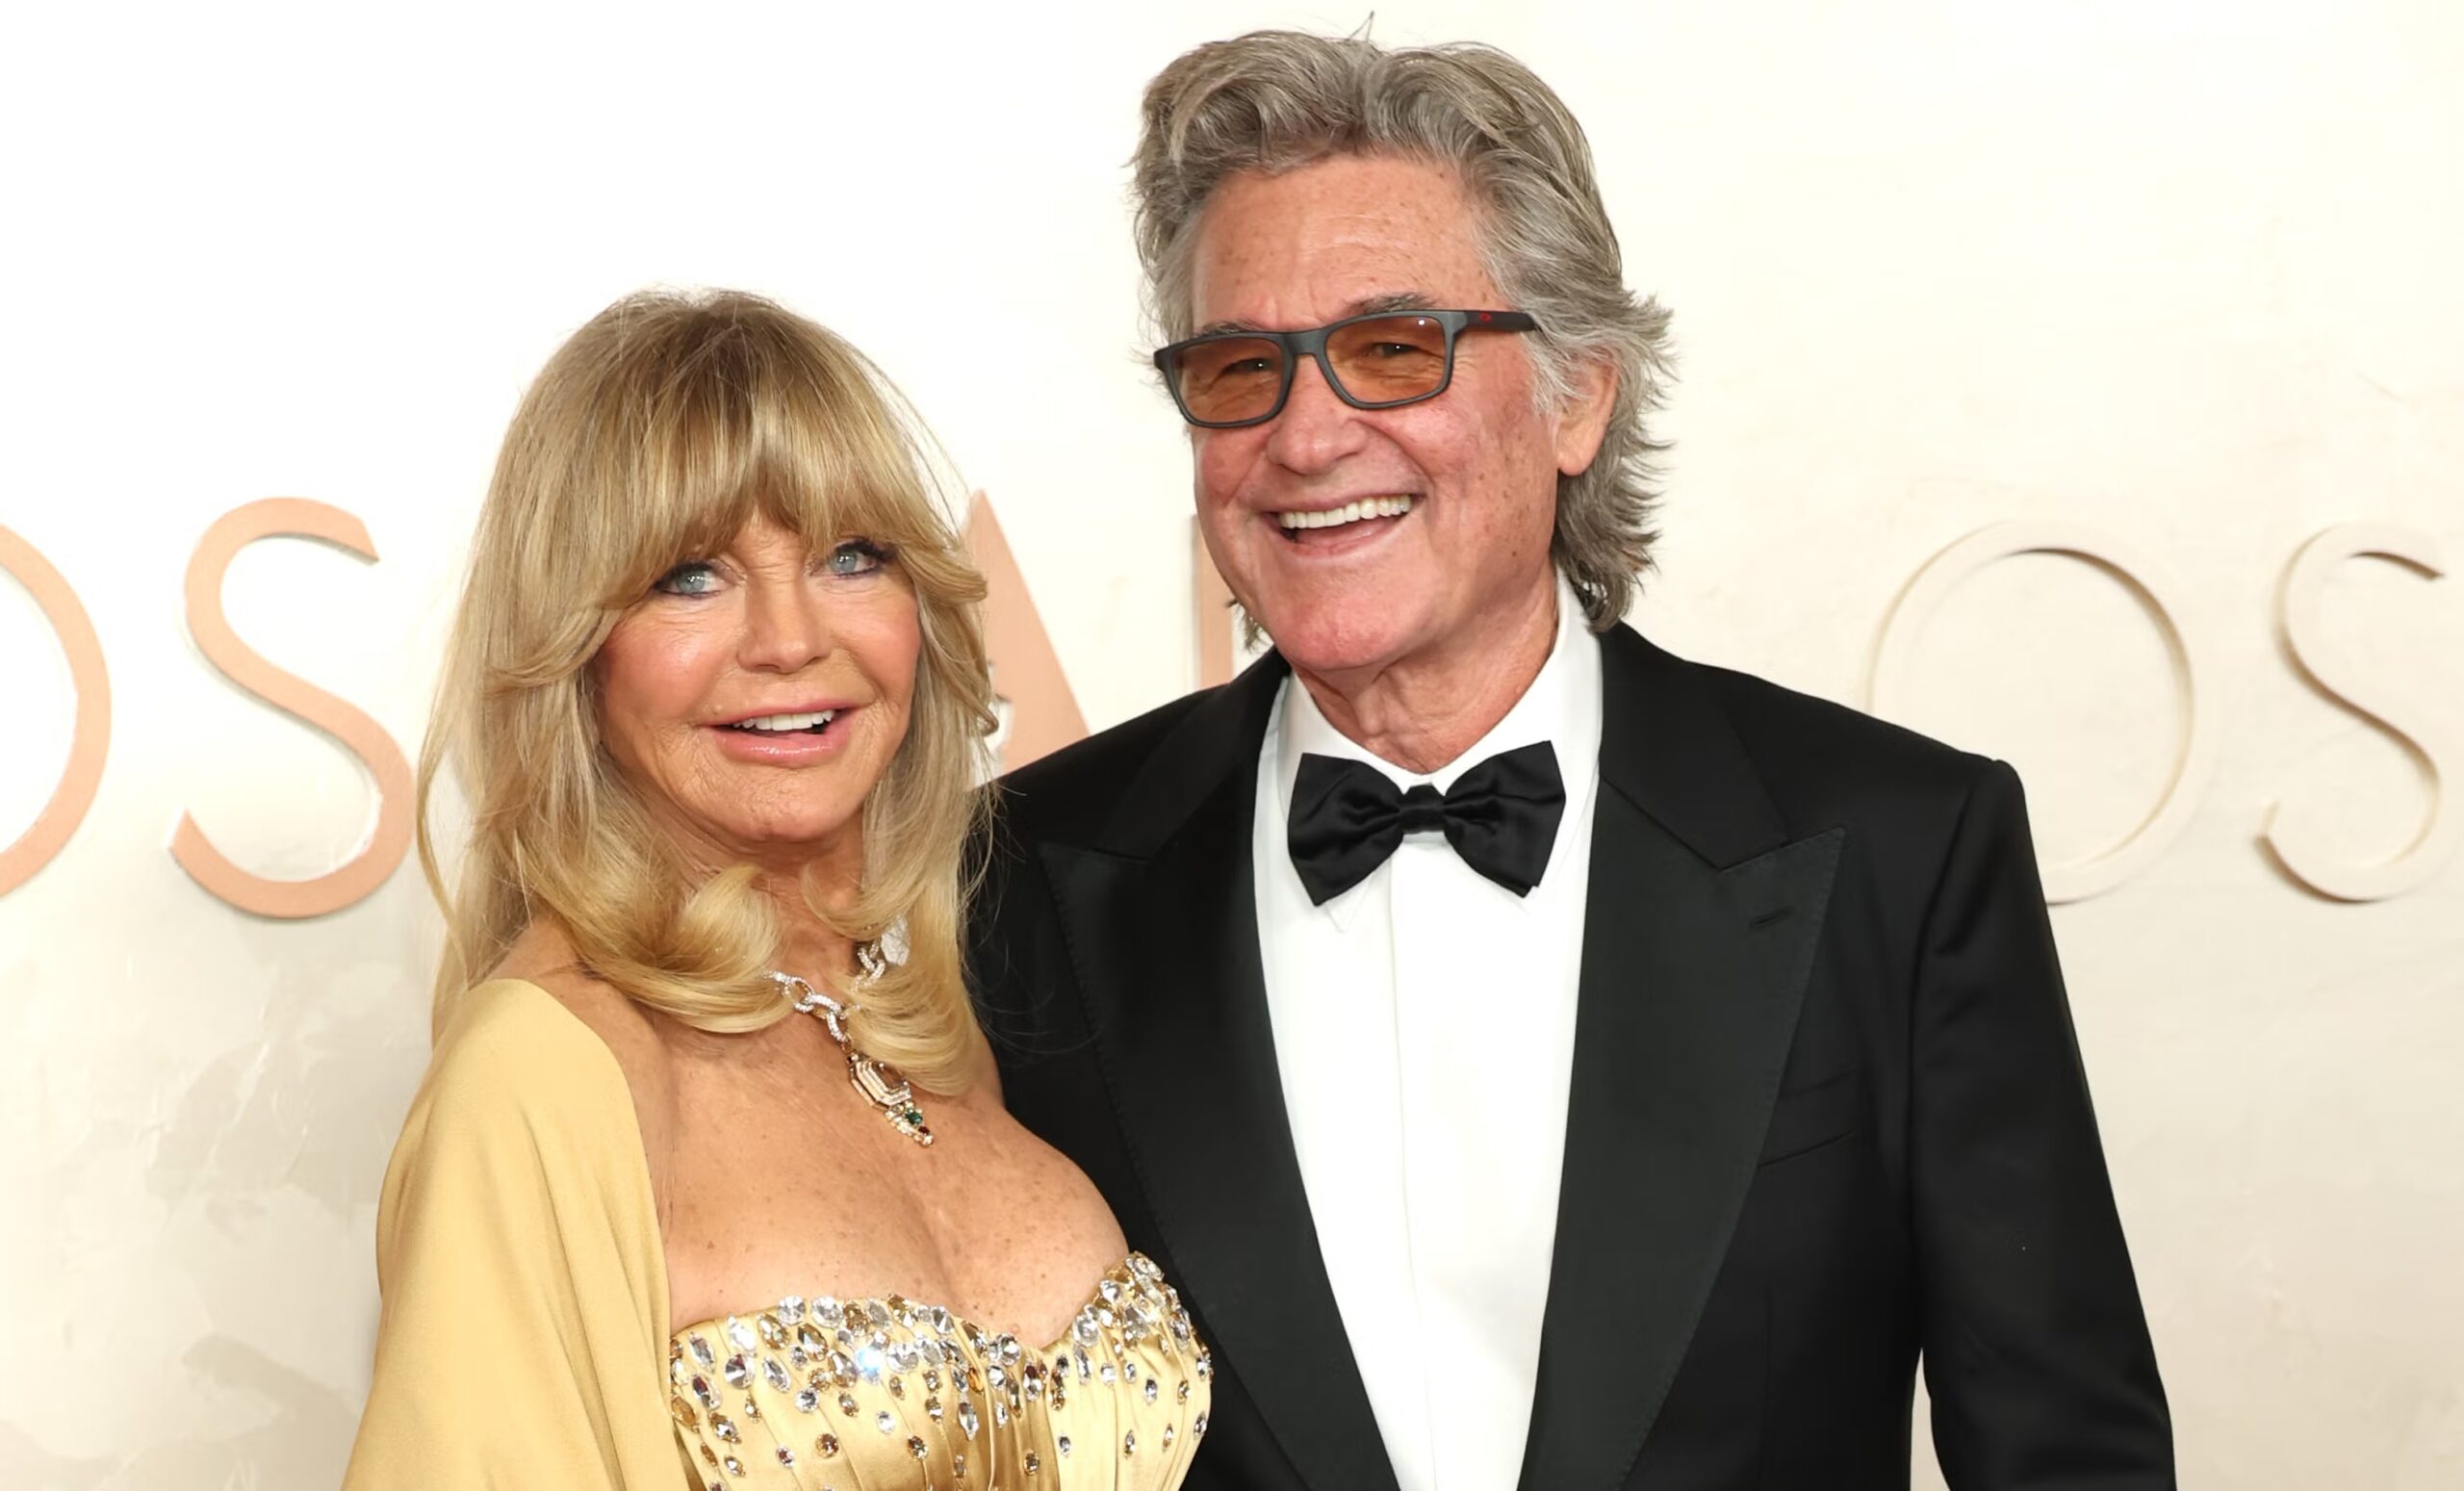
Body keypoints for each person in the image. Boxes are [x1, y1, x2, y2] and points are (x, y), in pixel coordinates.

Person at [967, 31, 2173, 1491]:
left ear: (1579, 397)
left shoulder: (1898, 848)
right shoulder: (1017, 880)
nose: (1306, 435)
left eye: (1392, 348)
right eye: (1239, 367)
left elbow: (2067, 1456)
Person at [344, 290, 1209, 1490]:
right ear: (577, 650)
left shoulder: (933, 1026)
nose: (791, 639)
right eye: (690, 576)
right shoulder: (544, 1073)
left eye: (853, 556)